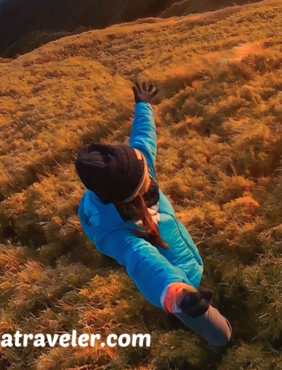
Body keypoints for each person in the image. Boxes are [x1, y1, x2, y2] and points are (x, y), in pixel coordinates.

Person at [74, 79, 232, 347]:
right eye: (146, 177)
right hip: (173, 284)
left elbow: (143, 139)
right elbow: (144, 262)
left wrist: (143, 106)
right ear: (131, 195)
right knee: (202, 321)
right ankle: (190, 321)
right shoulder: (118, 233)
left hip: (178, 260)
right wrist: (177, 293)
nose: (150, 171)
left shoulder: (129, 176)